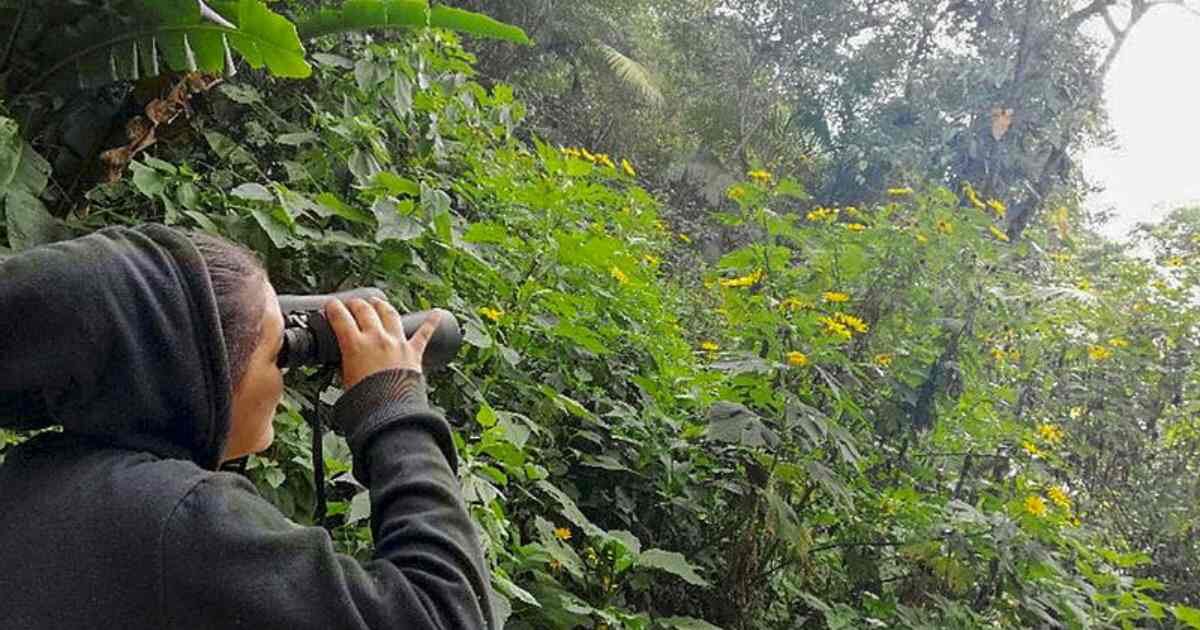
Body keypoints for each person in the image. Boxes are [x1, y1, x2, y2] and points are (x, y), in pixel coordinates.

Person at [0, 224, 495, 629]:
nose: (283, 379)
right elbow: (447, 614)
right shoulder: (173, 522)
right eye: (279, 353)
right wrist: (391, 405)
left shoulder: (39, 473)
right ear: (202, 375)